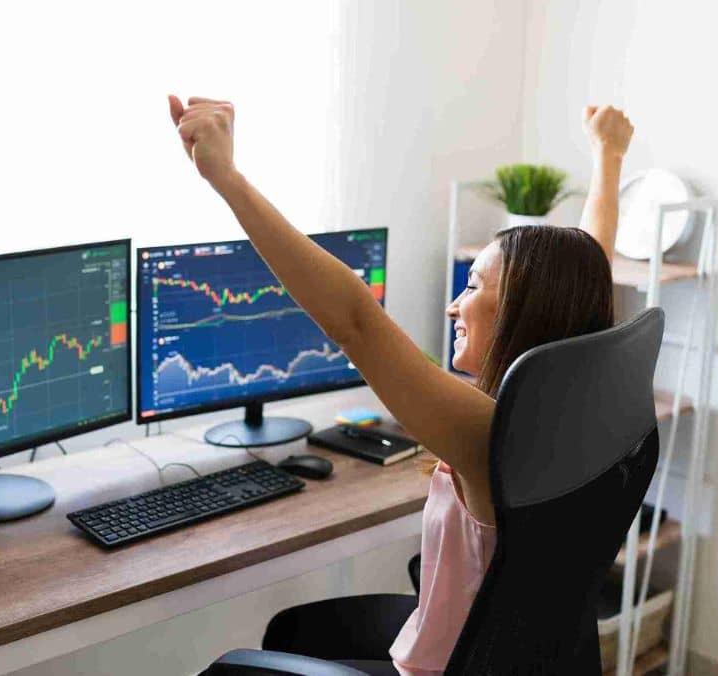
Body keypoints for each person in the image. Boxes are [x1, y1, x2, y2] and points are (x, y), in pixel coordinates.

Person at [169, 95, 633, 676]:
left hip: (445, 668)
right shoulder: (581, 396)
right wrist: (607, 157)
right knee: (294, 631)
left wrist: (227, 179)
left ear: (523, 307)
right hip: (496, 649)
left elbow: (356, 321)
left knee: (232, 669)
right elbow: (590, 265)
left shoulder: (489, 434)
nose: (452, 304)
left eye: (473, 287)